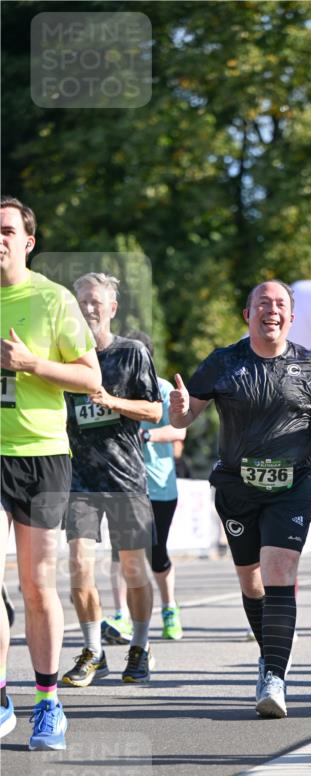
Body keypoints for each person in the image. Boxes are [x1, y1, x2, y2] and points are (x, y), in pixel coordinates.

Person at [169, 280, 311, 719]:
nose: (271, 310)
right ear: (247, 314)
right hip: (237, 487)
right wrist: (178, 408)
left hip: (291, 486)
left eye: (280, 305)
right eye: (262, 303)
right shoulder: (223, 362)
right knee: (251, 582)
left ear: (291, 318)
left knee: (279, 570)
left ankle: (274, 675)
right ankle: (271, 651)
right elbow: (184, 418)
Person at [0, 196, 101, 747]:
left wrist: (30, 365)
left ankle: (47, 703)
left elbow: (91, 378)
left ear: (27, 241)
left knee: (37, 587)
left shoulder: (52, 299)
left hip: (41, 455)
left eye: (7, 230)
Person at [61, 274, 162, 688]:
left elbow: (155, 412)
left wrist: (113, 401)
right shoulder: (63, 357)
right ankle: (93, 651)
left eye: (96, 301)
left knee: (135, 569)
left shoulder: (131, 352)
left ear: (112, 308)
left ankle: (139, 645)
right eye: (82, 300)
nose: (88, 308)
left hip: (126, 479)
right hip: (79, 481)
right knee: (79, 567)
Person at [128, 329, 186, 640]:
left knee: (156, 552)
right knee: (127, 553)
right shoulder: (118, 391)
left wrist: (146, 434)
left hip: (160, 485)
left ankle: (169, 608)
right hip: (127, 483)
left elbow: (180, 433)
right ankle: (125, 616)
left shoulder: (162, 389)